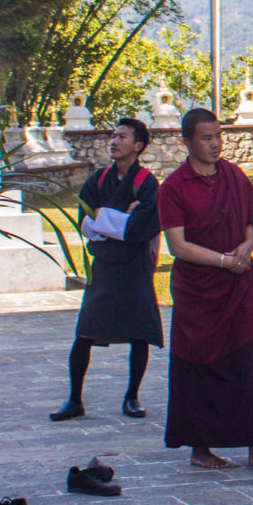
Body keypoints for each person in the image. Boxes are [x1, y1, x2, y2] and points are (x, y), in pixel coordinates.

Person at [157, 108, 253, 470]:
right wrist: (223, 261)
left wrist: (246, 249)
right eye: (206, 137)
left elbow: (250, 223)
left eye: (218, 135)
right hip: (199, 291)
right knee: (198, 367)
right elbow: (178, 246)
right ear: (187, 141)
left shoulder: (233, 175)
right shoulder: (174, 187)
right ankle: (200, 449)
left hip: (236, 286)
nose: (215, 143)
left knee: (244, 366)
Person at [52, 117, 162, 422]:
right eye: (113, 136)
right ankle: (75, 399)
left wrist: (105, 218)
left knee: (139, 333)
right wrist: (118, 219)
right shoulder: (98, 180)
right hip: (104, 267)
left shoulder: (146, 183)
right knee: (84, 332)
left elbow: (142, 226)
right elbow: (84, 220)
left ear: (137, 146)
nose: (114, 141)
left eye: (122, 136)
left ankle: (132, 397)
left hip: (135, 267)